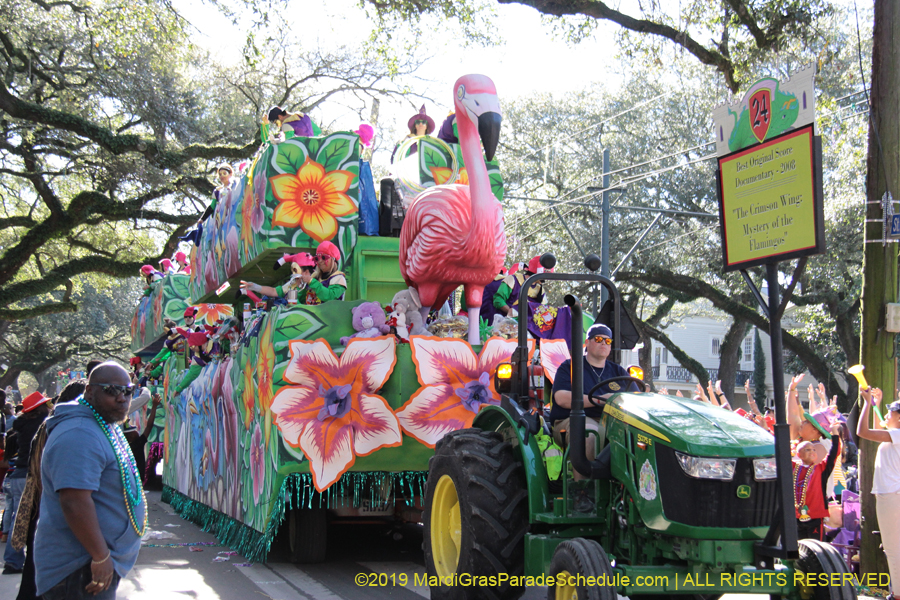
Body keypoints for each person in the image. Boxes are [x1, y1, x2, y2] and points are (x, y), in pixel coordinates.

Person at [34, 362, 146, 599]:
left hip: (91, 563)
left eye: (128, 390)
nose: (122, 398)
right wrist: (100, 556)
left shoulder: (102, 424)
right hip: (79, 568)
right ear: (89, 391)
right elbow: (74, 501)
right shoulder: (79, 432)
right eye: (111, 390)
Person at [550, 324, 638, 482]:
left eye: (608, 341)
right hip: (574, 420)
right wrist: (602, 399)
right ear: (587, 343)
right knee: (590, 435)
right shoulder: (569, 367)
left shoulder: (618, 372)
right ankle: (583, 492)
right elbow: (561, 399)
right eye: (598, 339)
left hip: (613, 422)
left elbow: (636, 397)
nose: (603, 343)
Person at [857, 388, 900, 600]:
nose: (887, 415)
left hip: (891, 495)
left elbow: (863, 432)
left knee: (893, 548)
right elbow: (877, 428)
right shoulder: (895, 435)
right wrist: (876, 402)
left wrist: (866, 403)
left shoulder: (898, 434)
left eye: (891, 412)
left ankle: (898, 594)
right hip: (894, 494)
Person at [2, 391, 51, 574]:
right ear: (39, 409)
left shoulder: (21, 425)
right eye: (46, 405)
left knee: (18, 519)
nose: (49, 407)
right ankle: (16, 561)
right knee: (31, 520)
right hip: (29, 477)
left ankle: (12, 560)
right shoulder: (40, 425)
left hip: (16, 476)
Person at [241, 241, 346, 305]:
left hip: (327, 324)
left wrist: (310, 281)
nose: (320, 260)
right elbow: (275, 291)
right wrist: (255, 287)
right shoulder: (314, 277)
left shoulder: (338, 278)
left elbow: (329, 296)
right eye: (318, 257)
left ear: (333, 260)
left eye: (324, 257)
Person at [792, 421, 840, 541]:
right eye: (807, 450)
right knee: (798, 547)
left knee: (817, 547)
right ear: (799, 454)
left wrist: (835, 434)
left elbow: (834, 453)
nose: (813, 452)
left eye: (814, 449)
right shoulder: (793, 468)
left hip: (815, 516)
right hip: (796, 516)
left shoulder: (821, 469)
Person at [480, 256, 548, 325]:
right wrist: (510, 311)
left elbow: (543, 310)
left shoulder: (540, 290)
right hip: (507, 326)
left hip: (529, 328)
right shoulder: (513, 280)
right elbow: (498, 299)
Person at [123, 393, 162, 487]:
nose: (136, 431)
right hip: (136, 480)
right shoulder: (137, 444)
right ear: (128, 437)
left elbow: (149, 426)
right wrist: (154, 407)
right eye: (132, 430)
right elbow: (149, 426)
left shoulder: (128, 445)